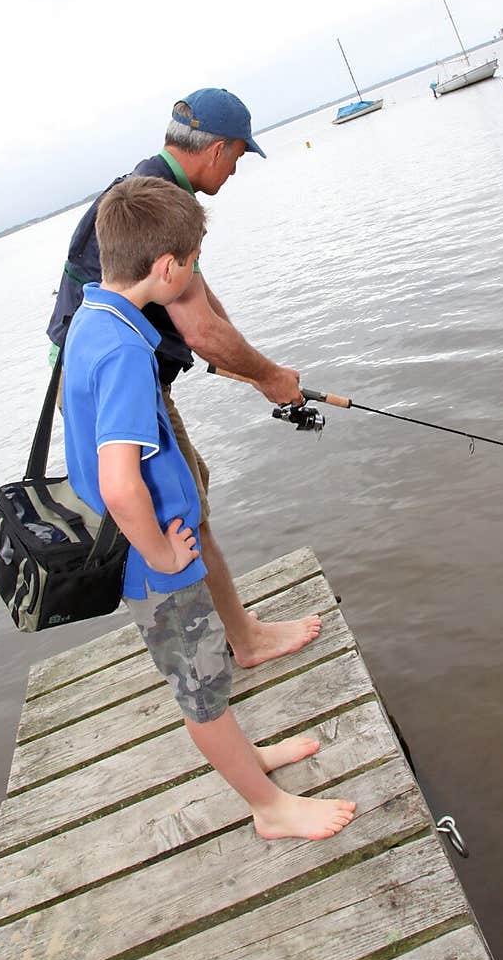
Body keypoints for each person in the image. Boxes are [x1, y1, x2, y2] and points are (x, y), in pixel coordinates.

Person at [63, 175, 355, 840]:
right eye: (191, 263)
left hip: (155, 546)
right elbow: (117, 482)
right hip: (155, 560)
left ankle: (247, 761)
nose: (194, 272)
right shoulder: (125, 354)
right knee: (203, 693)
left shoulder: (94, 317)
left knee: (210, 678)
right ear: (166, 269)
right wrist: (163, 552)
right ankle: (268, 807)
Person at [48, 87, 321, 669]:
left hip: (91, 383)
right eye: (241, 156)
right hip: (122, 387)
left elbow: (199, 301)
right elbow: (197, 330)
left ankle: (223, 633)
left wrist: (251, 369)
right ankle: (231, 645)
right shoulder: (162, 202)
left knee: (186, 495)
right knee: (181, 507)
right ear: (218, 150)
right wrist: (272, 378)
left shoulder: (144, 191)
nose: (238, 167)